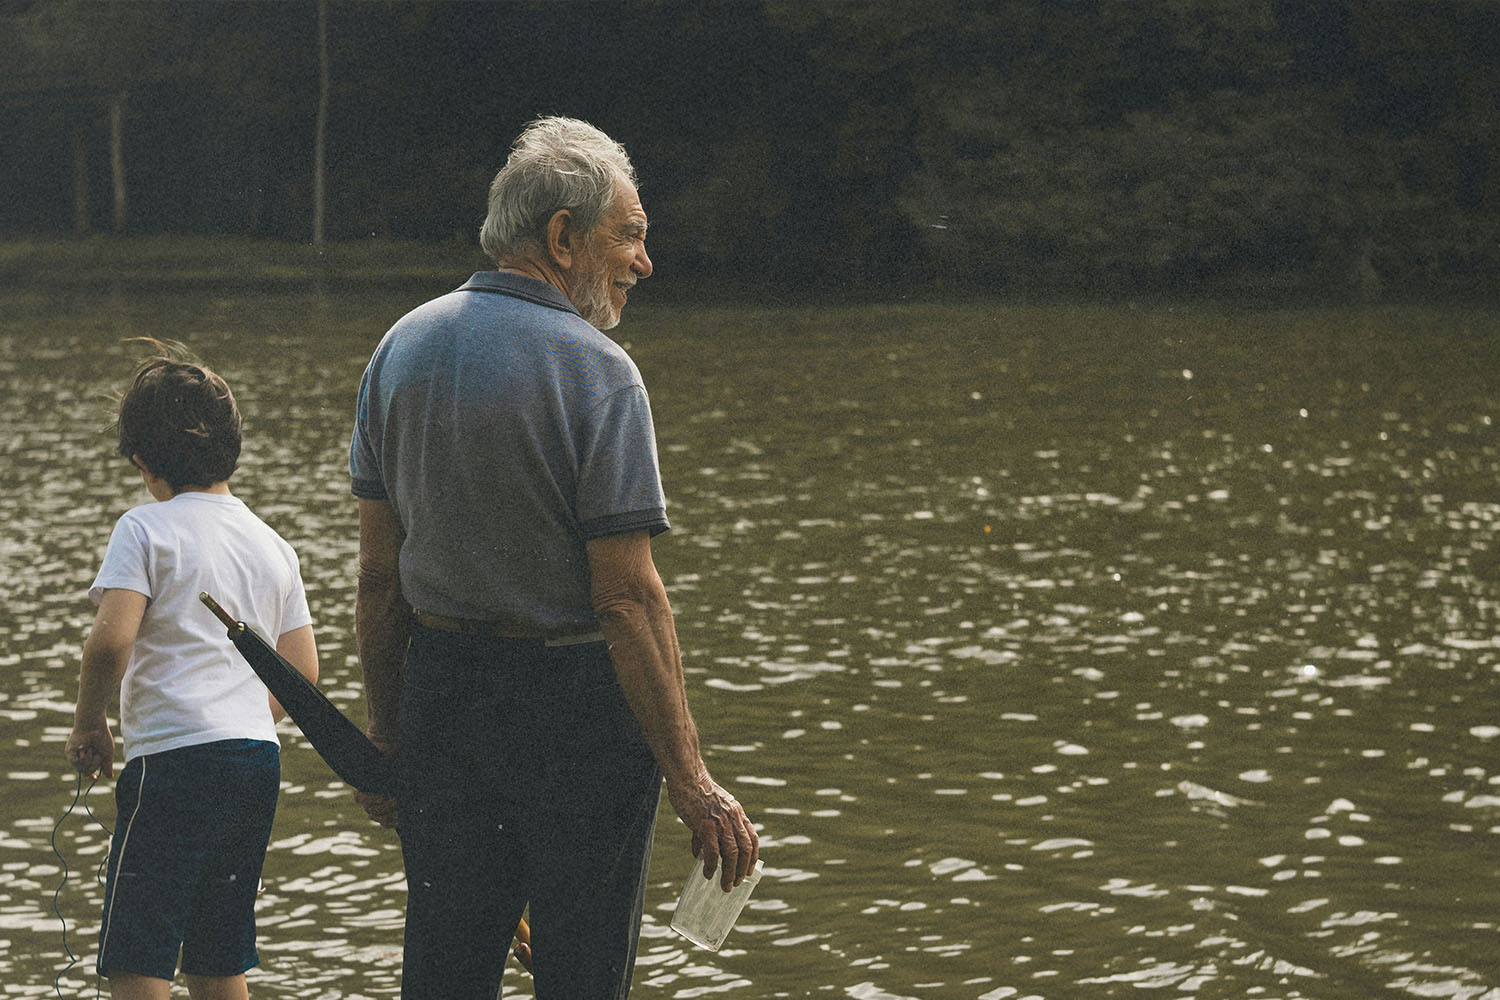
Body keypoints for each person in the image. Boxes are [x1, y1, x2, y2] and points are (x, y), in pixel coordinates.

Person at [349, 116, 759, 998]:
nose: (644, 263)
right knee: (581, 969)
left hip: (443, 692)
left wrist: (388, 736)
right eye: (631, 235)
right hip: (575, 710)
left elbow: (380, 578)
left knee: (447, 969)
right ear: (563, 235)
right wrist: (693, 783)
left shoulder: (399, 348)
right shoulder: (600, 371)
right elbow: (627, 599)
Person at [65, 346, 319, 1000]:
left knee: (140, 952)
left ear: (144, 462)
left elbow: (108, 644)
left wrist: (90, 723)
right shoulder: (274, 545)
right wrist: (236, 722)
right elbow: (301, 673)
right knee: (217, 950)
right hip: (254, 762)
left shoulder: (145, 530)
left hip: (172, 765)